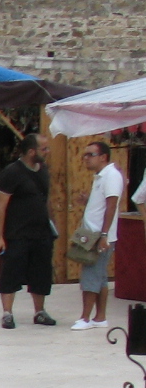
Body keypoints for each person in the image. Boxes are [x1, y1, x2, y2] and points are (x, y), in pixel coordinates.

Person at [0, 133, 58, 330]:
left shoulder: (43, 170)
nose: (47, 152)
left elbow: (46, 199)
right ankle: (7, 313)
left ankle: (40, 312)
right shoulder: (12, 172)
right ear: (32, 151)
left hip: (41, 232)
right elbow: (0, 206)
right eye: (44, 149)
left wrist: (52, 223)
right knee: (11, 273)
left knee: (41, 273)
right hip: (18, 233)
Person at [74, 138, 124, 329]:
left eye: (90, 155)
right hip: (91, 233)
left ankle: (85, 318)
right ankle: (100, 317)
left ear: (103, 157)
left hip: (98, 236)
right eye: (85, 154)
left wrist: (104, 235)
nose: (86, 158)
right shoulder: (101, 176)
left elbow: (112, 205)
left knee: (90, 275)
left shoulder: (111, 176)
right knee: (100, 277)